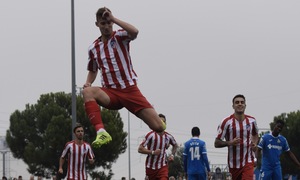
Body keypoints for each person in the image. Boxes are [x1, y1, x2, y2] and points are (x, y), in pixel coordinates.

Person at [82, 7, 166, 148]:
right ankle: (101, 132)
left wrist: (113, 18)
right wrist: (88, 82)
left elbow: (134, 32)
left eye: (109, 23)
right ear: (97, 24)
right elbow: (93, 69)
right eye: (103, 23)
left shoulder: (119, 36)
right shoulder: (93, 48)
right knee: (87, 92)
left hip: (130, 90)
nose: (107, 26)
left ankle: (157, 119)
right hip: (111, 93)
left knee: (159, 127)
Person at [214, 94, 259, 180]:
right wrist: (230, 142)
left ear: (245, 105)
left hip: (248, 161)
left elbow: (255, 134)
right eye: (237, 102)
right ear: (233, 106)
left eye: (242, 102)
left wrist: (254, 144)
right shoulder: (226, 122)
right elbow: (216, 143)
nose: (240, 104)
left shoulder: (252, 120)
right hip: (233, 164)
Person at [138, 114, 178, 180]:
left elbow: (175, 145)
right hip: (150, 167)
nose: (162, 123)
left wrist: (172, 155)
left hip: (162, 166)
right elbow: (140, 149)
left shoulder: (168, 136)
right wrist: (153, 152)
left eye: (164, 121)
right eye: (160, 121)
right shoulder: (151, 135)